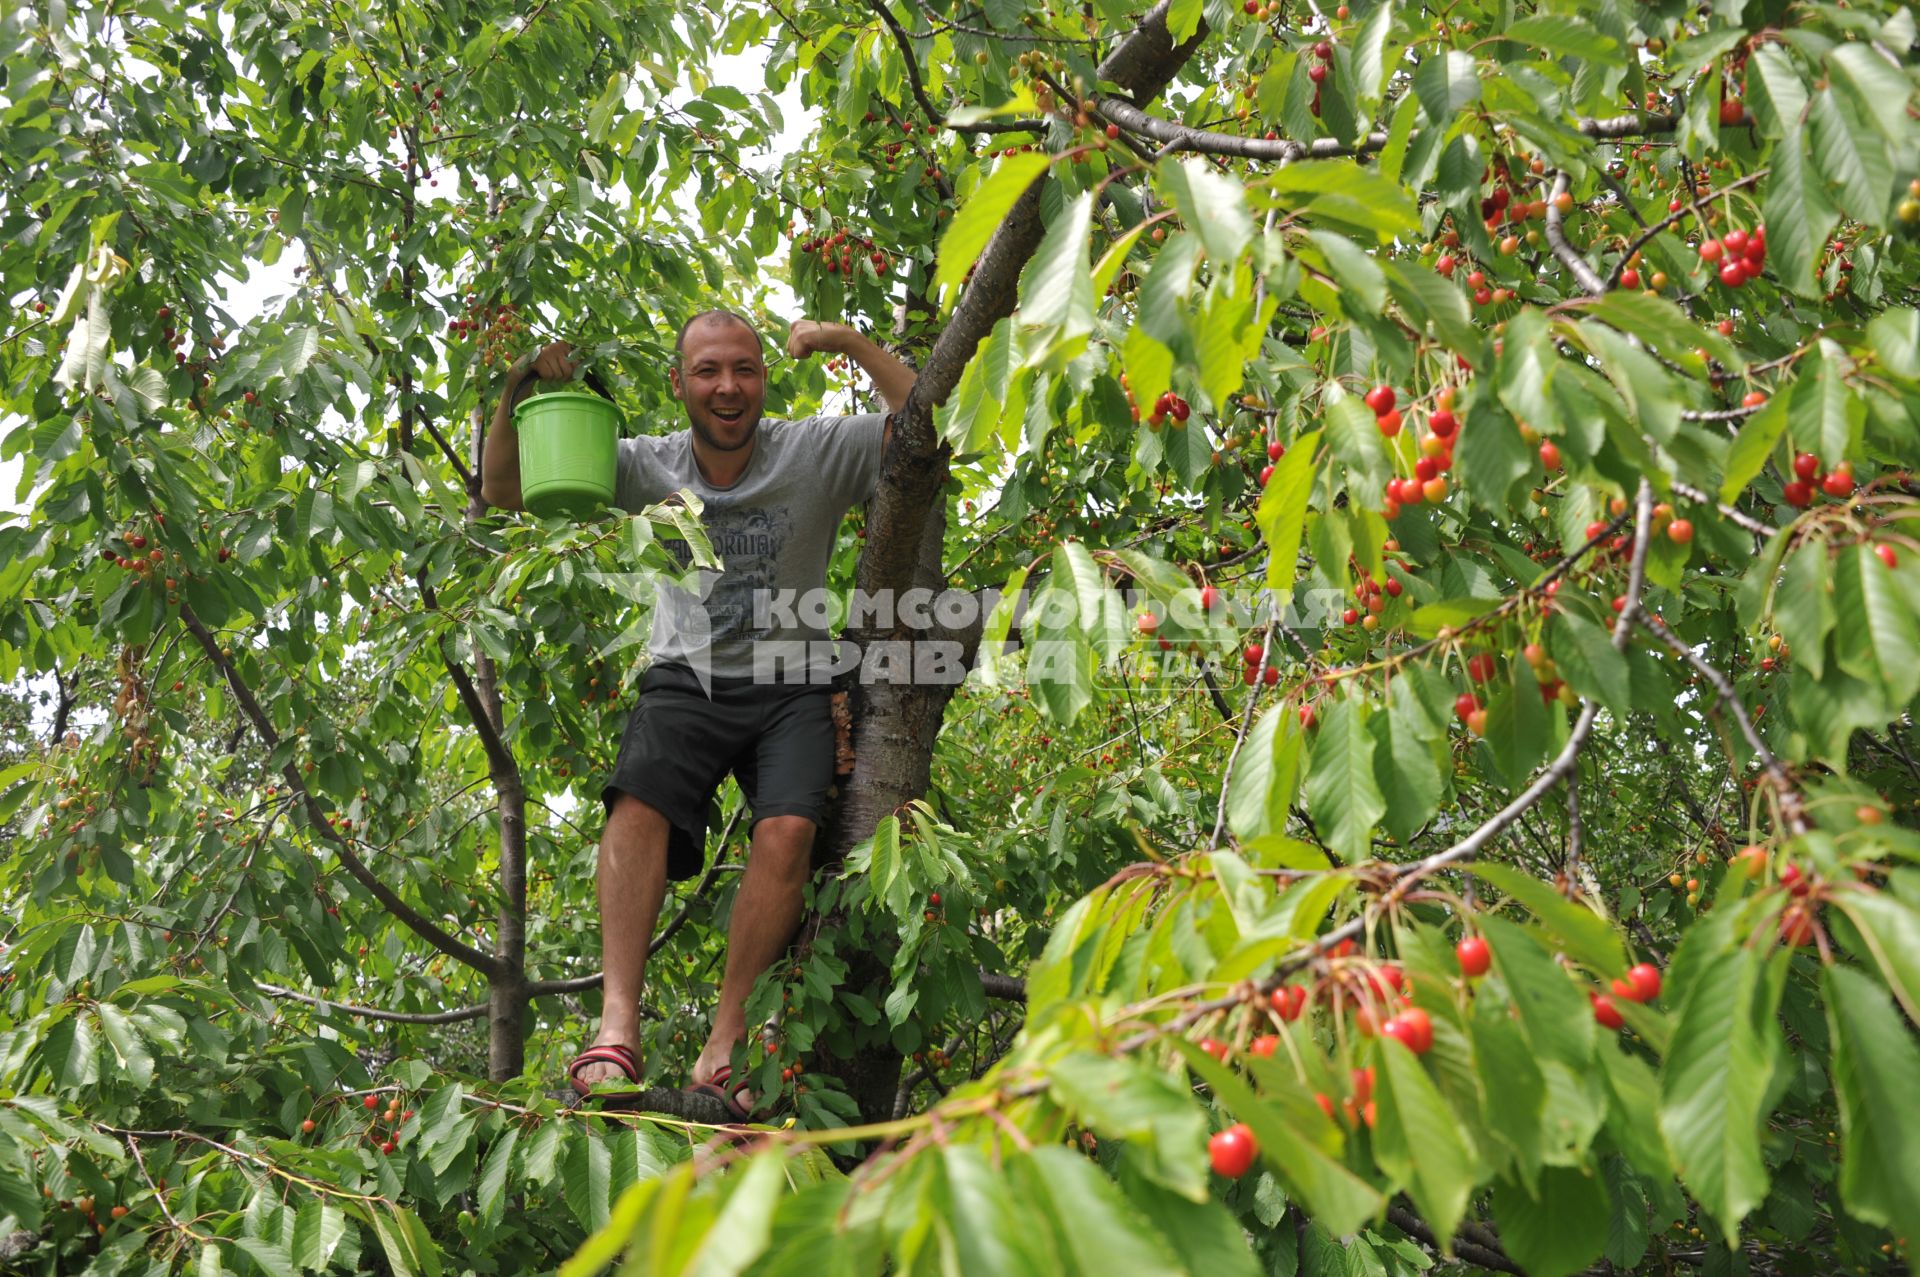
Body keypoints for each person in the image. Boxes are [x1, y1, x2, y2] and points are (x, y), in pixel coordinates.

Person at [478, 311, 916, 1115]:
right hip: (687, 675)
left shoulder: (812, 451)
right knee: (638, 798)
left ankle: (727, 1039)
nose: (727, 386)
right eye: (708, 370)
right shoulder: (649, 467)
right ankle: (617, 1024)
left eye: (744, 369)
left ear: (764, 380)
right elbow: (504, 487)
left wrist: (850, 344)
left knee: (788, 828)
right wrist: (523, 383)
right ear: (679, 383)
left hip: (795, 680)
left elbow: (925, 426)